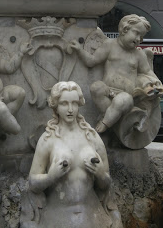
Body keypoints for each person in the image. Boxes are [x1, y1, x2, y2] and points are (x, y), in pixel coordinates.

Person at [23, 81, 122, 228]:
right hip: (57, 219)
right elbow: (32, 184)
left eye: (74, 103)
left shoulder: (92, 137)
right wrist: (50, 177)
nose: (70, 109)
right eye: (64, 104)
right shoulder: (47, 140)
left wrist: (101, 174)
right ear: (55, 106)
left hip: (93, 218)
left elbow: (106, 185)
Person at [71, 15, 163, 134]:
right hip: (108, 92)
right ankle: (114, 117)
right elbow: (92, 61)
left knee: (122, 100)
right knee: (96, 87)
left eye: (141, 37)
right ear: (124, 29)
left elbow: (147, 72)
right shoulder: (109, 45)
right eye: (136, 33)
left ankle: (105, 123)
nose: (138, 39)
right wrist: (79, 50)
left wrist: (157, 83)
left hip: (128, 96)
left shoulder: (139, 55)